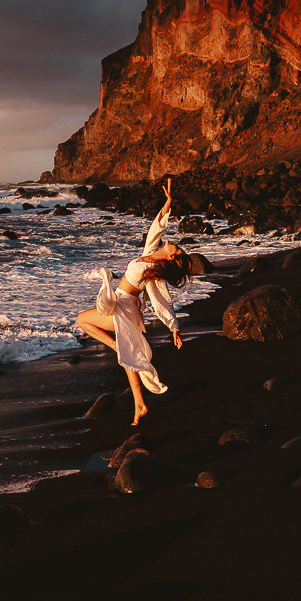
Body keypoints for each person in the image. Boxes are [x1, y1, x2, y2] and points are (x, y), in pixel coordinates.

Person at [77, 178, 192, 425]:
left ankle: (116, 348)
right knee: (129, 359)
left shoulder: (155, 270)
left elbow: (161, 301)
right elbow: (156, 229)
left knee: (82, 320)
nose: (177, 246)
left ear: (172, 258)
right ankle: (140, 404)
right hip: (124, 305)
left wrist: (173, 327)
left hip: (123, 306)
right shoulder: (151, 252)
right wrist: (168, 202)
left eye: (179, 251)